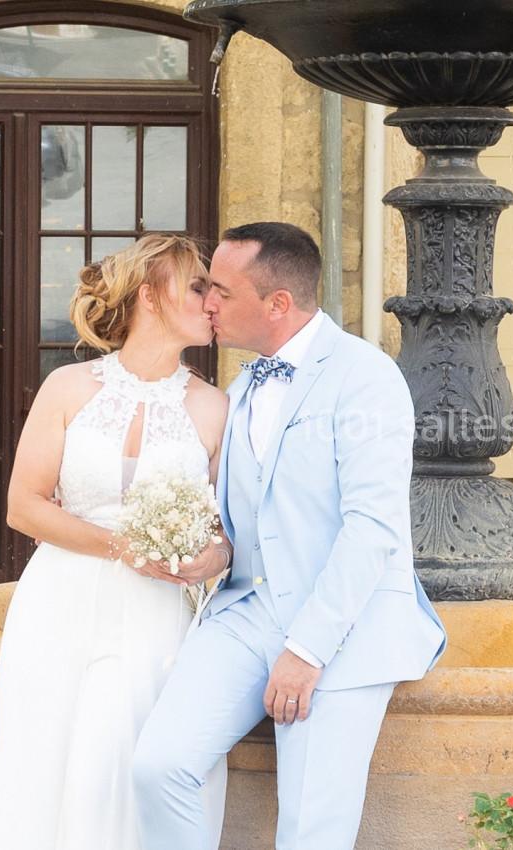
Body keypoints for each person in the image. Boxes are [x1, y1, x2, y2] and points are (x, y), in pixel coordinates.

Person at [131, 222, 448, 849]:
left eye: (219, 289)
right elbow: (247, 513)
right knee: (159, 765)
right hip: (247, 611)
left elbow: (371, 527)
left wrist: (307, 651)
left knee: (310, 829)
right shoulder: (244, 384)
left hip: (343, 627)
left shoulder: (367, 377)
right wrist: (211, 550)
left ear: (278, 303)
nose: (207, 302)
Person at [0, 234, 231, 850]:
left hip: (157, 615)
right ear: (151, 294)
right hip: (60, 602)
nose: (212, 299)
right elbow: (22, 506)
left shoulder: (215, 407)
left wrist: (211, 557)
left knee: (116, 764)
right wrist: (125, 550)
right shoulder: (68, 387)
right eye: (197, 284)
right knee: (42, 764)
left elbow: (230, 531)